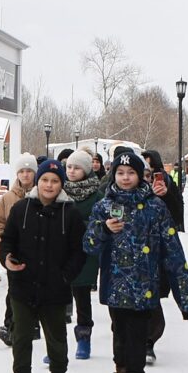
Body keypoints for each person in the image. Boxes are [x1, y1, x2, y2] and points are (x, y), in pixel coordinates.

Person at [84, 148, 188, 373]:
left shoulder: (155, 209)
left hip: (145, 286)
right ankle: (121, 372)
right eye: (120, 173)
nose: (125, 177)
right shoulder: (104, 207)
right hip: (115, 287)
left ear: (140, 176)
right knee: (120, 333)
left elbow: (173, 251)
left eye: (130, 173)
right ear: (113, 176)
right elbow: (88, 245)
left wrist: (184, 297)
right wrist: (103, 230)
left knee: (137, 334)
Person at [0, 159, 86, 373]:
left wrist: (65, 276)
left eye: (55, 181)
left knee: (56, 339)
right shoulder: (21, 209)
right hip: (23, 285)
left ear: (61, 184)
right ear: (38, 181)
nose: (49, 185)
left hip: (55, 288)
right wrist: (6, 258)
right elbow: (7, 241)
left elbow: (79, 252)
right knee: (21, 338)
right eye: (45, 180)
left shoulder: (71, 213)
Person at [141, 149, 184, 365]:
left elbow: (177, 214)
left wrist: (165, 195)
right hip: (129, 259)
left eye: (150, 172)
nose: (147, 178)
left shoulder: (166, 186)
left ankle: (149, 341)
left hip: (157, 254)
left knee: (153, 296)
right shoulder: (124, 190)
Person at [0, 153, 39, 346]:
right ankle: (10, 326)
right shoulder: (8, 198)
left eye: (29, 171)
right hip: (16, 253)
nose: (26, 175)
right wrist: (4, 245)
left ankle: (33, 324)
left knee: (36, 289)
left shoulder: (42, 194)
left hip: (38, 252)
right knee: (14, 290)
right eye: (22, 171)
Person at [64, 149, 105, 359]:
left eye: (77, 167)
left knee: (81, 298)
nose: (71, 171)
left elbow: (99, 223)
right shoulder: (60, 191)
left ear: (87, 170)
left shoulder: (96, 195)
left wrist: (76, 226)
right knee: (58, 300)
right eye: (69, 167)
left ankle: (84, 338)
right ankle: (58, 346)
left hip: (85, 253)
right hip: (61, 252)